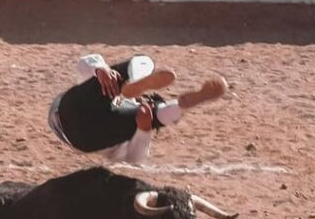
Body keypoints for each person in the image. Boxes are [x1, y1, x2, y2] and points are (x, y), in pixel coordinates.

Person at [47, 54, 227, 164]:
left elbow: (82, 63)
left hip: (69, 116)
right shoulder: (131, 107)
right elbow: (135, 158)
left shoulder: (129, 109)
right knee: (149, 114)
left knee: (135, 67)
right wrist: (144, 129)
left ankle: (140, 78)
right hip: (83, 135)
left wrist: (99, 68)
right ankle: (178, 105)